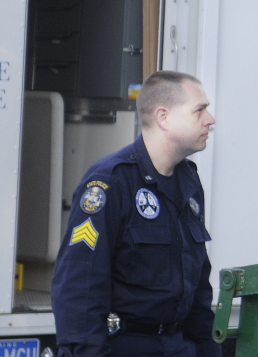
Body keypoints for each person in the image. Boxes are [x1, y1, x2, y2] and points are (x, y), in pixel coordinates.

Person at [52, 71, 221, 356]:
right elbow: (79, 288)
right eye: (199, 110)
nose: (210, 119)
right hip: (127, 346)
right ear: (163, 117)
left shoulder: (188, 182)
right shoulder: (110, 183)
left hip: (179, 346)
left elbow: (198, 287)